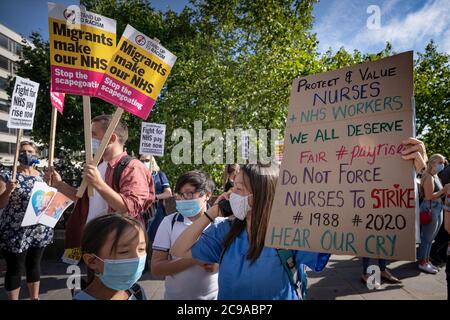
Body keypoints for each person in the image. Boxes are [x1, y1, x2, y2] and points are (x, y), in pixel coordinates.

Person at [171, 162, 330, 300]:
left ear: (260, 195)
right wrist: (211, 213)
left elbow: (331, 242)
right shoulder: (224, 230)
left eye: (239, 188)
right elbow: (179, 249)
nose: (231, 193)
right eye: (233, 186)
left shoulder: (289, 232)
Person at [46, 114, 155, 251]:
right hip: (93, 241)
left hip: (117, 245)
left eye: (93, 134)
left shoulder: (133, 167)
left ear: (111, 138)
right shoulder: (97, 165)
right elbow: (84, 199)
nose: (89, 139)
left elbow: (129, 208)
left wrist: (98, 183)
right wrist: (59, 184)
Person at [151, 171, 219, 299]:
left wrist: (220, 264)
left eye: (189, 194)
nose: (182, 199)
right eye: (179, 195)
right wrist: (194, 259)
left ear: (207, 195)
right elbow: (156, 268)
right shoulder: (169, 223)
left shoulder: (220, 224)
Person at [0, 141, 53, 300]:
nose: (27, 154)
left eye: (30, 151)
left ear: (36, 154)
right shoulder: (8, 175)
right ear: (17, 155)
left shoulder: (44, 176)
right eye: (23, 151)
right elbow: (1, 203)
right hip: (15, 231)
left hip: (38, 230)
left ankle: (34, 298)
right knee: (15, 268)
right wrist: (8, 190)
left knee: (34, 265)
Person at [73, 213, 147, 300]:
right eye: (124, 251)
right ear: (92, 261)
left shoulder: (137, 292)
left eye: (141, 249)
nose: (137, 258)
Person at [418, 154, 449, 274]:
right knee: (426, 238)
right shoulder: (428, 176)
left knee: (431, 238)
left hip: (437, 207)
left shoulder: (435, 175)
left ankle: (426, 260)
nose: (443, 164)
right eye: (440, 162)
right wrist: (444, 190)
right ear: (432, 163)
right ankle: (422, 262)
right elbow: (429, 196)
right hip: (430, 208)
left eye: (443, 162)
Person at [141, 155, 172, 242]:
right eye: (142, 160)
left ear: (152, 161)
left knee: (156, 237)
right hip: (141, 211)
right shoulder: (137, 175)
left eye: (147, 160)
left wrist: (154, 197)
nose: (144, 163)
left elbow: (168, 193)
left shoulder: (160, 175)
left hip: (157, 211)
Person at [430, 162, 450, 266]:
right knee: (444, 234)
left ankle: (439, 254)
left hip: (442, 204)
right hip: (442, 204)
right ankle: (433, 254)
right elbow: (429, 195)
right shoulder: (429, 176)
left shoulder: (445, 169)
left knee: (443, 234)